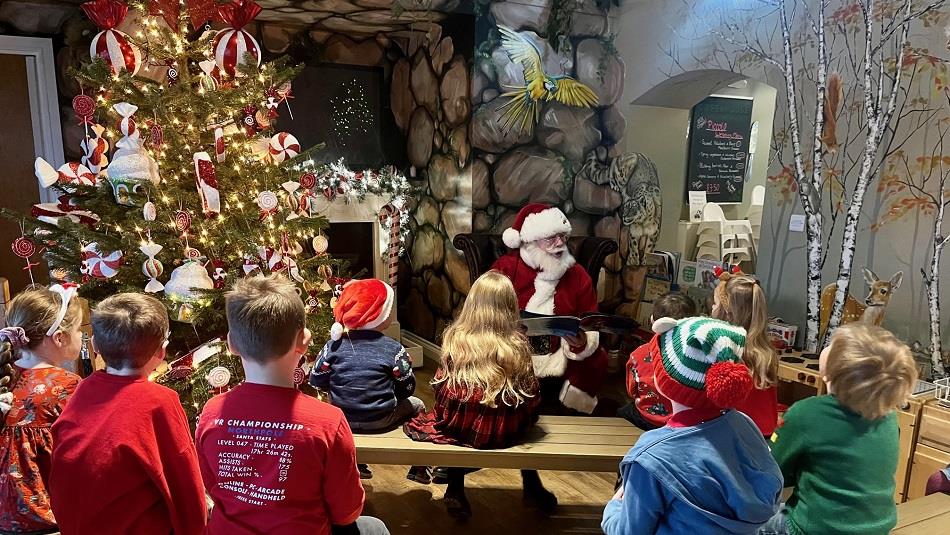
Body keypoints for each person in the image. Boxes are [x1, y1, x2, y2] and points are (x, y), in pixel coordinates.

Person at [196, 275, 389, 535]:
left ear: (231, 344)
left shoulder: (211, 412)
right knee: (373, 527)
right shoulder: (328, 421)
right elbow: (346, 512)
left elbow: (211, 486)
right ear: (304, 340)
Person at [602, 317, 783, 535]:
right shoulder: (745, 426)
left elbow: (629, 530)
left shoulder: (651, 457)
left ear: (662, 381)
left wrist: (614, 507)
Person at [49, 293, 206, 535]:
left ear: (95, 347)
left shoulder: (83, 389)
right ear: (162, 352)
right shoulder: (161, 400)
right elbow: (184, 482)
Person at [404, 271, 554, 518]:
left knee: (453, 421)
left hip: (460, 426)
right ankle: (531, 482)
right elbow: (531, 393)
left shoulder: (455, 339)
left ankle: (455, 486)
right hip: (503, 430)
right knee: (526, 412)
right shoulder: (516, 344)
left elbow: (441, 389)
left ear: (472, 304)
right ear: (510, 307)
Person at [759, 324, 918, 535]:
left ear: (834, 371)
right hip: (877, 529)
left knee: (752, 520)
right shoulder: (889, 418)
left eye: (832, 345)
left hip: (813, 529)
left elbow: (773, 473)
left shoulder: (807, 413)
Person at [492, 203, 607, 415]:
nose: (561, 244)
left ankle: (573, 411)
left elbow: (590, 321)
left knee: (597, 358)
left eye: (563, 237)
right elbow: (486, 312)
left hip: (561, 354)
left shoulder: (578, 274)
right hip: (514, 352)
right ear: (531, 241)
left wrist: (581, 342)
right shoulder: (505, 268)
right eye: (551, 238)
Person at [309, 278, 424, 481]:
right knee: (418, 405)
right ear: (379, 316)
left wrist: (341, 388)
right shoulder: (393, 349)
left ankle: (358, 463)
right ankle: (419, 466)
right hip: (380, 418)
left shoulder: (332, 346)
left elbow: (316, 379)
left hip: (342, 420)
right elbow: (408, 387)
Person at [0, 285, 83, 534]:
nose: (81, 336)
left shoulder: (5, 376)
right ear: (59, 337)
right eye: (78, 330)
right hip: (49, 521)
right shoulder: (67, 386)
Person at [713, 270, 779, 437]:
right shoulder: (766, 353)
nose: (712, 308)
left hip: (732, 434)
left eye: (715, 304)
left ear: (726, 312)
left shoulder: (725, 351)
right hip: (763, 434)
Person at [617, 292, 696, 430]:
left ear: (653, 321)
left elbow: (632, 391)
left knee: (621, 413)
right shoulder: (696, 357)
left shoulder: (639, 354)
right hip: (681, 423)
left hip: (646, 418)